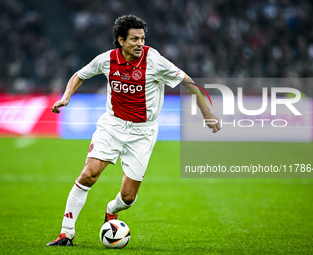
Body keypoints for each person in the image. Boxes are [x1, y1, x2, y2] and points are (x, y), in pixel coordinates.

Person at [46, 14, 220, 246]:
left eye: (142, 38)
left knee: (128, 197)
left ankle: (111, 209)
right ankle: (66, 233)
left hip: (143, 133)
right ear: (120, 40)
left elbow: (188, 82)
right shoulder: (107, 60)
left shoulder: (154, 60)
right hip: (112, 125)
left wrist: (207, 113)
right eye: (134, 39)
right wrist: (66, 97)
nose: (140, 43)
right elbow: (79, 75)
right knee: (88, 174)